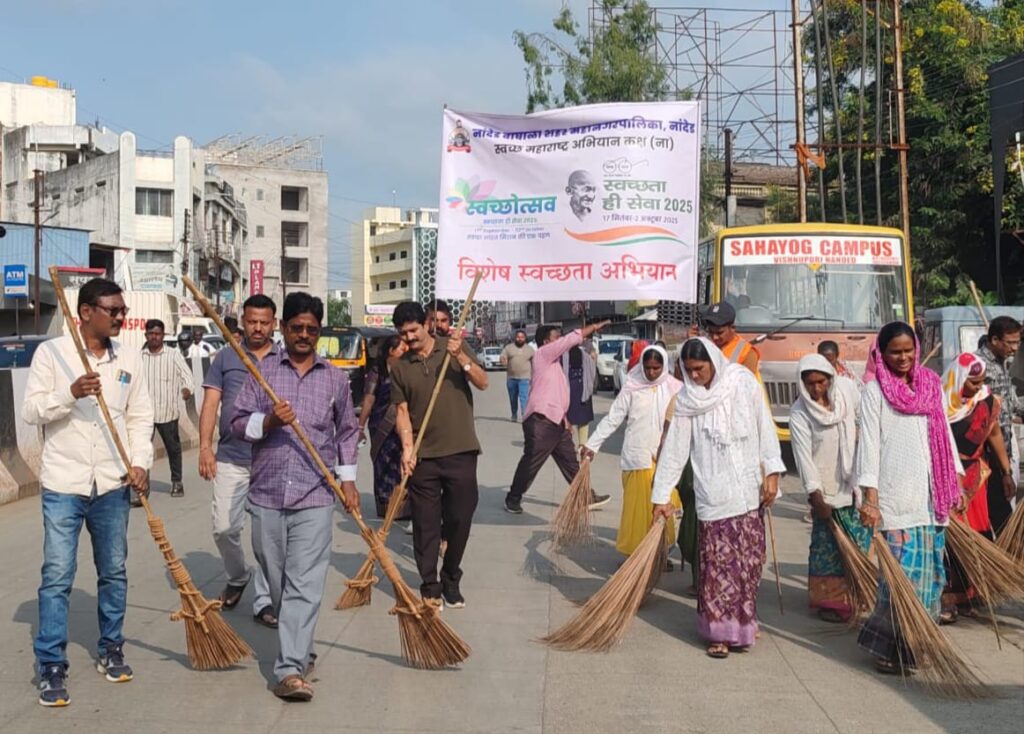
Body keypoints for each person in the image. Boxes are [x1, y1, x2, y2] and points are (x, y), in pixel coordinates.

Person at [23, 277, 153, 707]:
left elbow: (139, 416)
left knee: (113, 571)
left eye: (122, 310)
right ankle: (50, 665)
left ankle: (111, 648)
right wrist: (70, 392)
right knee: (57, 576)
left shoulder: (128, 358)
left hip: (112, 483)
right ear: (85, 313)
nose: (121, 317)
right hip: (64, 483)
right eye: (113, 311)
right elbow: (32, 410)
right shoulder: (53, 354)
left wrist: (140, 463)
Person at [231, 292, 360, 701]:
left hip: (316, 494)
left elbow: (347, 432)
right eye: (297, 328)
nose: (304, 335)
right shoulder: (262, 372)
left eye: (312, 329)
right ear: (283, 329)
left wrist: (349, 480)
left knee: (305, 582)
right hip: (266, 492)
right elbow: (235, 423)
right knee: (277, 577)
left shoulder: (335, 378)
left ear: (319, 333)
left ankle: (288, 669)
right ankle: (300, 645)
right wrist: (268, 420)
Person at [651, 337, 784, 659]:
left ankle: (745, 622)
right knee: (719, 567)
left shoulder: (742, 383)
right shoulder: (686, 402)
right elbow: (674, 452)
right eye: (689, 370)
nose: (695, 376)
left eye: (700, 369)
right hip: (714, 493)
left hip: (749, 491)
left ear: (713, 361)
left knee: (749, 565)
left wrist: (772, 472)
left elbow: (764, 427)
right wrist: (661, 495)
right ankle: (719, 632)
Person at [855, 321, 963, 675]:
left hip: (931, 501)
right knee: (899, 581)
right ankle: (890, 646)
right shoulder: (874, 393)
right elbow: (868, 446)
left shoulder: (930, 385)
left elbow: (944, 436)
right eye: (894, 352)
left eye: (908, 350)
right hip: (895, 501)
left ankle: (917, 643)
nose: (902, 358)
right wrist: (870, 498)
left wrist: (955, 482)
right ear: (881, 355)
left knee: (930, 580)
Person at [391, 301, 487, 608]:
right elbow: (402, 411)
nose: (409, 337)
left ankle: (451, 576)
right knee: (425, 523)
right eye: (403, 333)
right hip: (424, 456)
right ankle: (430, 584)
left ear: (426, 324)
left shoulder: (452, 348)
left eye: (414, 330)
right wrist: (407, 448)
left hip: (461, 449)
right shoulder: (401, 366)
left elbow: (483, 382)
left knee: (460, 517)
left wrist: (460, 356)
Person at [199, 294, 278, 627]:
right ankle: (237, 575)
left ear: (274, 324)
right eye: (251, 321)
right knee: (223, 528)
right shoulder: (225, 358)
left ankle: (264, 601)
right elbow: (211, 402)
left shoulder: (284, 360)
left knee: (266, 539)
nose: (257, 328)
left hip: (270, 459)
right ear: (242, 321)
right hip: (231, 456)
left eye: (264, 322)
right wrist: (205, 447)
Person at [789, 353, 869, 623]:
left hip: (853, 481)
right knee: (827, 548)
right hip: (825, 489)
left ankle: (857, 594)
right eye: (810, 384)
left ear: (830, 379)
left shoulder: (846, 393)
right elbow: (803, 457)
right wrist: (815, 494)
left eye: (821, 382)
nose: (816, 389)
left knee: (857, 543)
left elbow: (865, 421)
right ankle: (830, 601)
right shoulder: (800, 413)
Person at [582, 345, 683, 557]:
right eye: (648, 368)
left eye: (656, 368)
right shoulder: (632, 385)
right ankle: (635, 557)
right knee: (636, 513)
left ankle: (660, 554)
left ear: (664, 366)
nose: (652, 373)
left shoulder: (676, 388)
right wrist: (592, 444)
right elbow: (613, 418)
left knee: (663, 509)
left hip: (664, 460)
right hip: (636, 457)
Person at [505, 321, 612, 515]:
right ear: (547, 342)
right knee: (532, 462)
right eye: (556, 338)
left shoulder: (554, 365)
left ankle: (585, 496)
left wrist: (565, 419)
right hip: (541, 420)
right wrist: (593, 327)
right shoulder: (543, 355)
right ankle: (513, 498)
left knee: (570, 461)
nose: (560, 341)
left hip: (556, 421)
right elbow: (570, 340)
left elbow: (555, 394)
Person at [939, 352, 1014, 622]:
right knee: (948, 540)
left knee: (977, 536)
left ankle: (970, 593)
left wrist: (1006, 472)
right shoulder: (938, 403)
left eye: (981, 381)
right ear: (957, 379)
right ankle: (946, 595)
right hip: (945, 478)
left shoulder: (986, 401)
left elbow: (994, 435)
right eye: (972, 382)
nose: (977, 387)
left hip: (976, 479)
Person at [975, 316, 1022, 533]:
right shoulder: (977, 367)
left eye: (1018, 342)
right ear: (994, 339)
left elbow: (1011, 403)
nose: (1015, 348)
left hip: (1003, 449)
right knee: (995, 516)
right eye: (1010, 342)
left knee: (1001, 512)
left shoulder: (1002, 363)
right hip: (982, 454)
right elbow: (984, 419)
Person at [139, 318, 193, 502]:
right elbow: (126, 378)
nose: (154, 337)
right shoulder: (138, 356)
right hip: (143, 414)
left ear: (163, 335)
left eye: (157, 334)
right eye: (151, 334)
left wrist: (186, 390)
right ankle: (141, 488)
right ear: (146, 335)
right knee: (142, 451)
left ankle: (177, 481)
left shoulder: (173, 355)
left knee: (173, 448)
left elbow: (188, 377)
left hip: (167, 412)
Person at [358, 334, 409, 519]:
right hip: (381, 426)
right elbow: (369, 399)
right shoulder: (377, 371)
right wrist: (360, 426)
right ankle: (385, 506)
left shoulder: (407, 370)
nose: (406, 351)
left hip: (402, 426)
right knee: (384, 464)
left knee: (402, 464)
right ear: (391, 351)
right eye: (402, 349)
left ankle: (403, 507)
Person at [698, 301, 760, 377]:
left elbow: (745, 385)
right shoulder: (705, 344)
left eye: (719, 333)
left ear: (732, 328)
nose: (714, 337)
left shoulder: (747, 352)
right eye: (710, 332)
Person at [562, 344, 596, 445]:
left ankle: (582, 444)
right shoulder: (563, 355)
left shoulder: (585, 354)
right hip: (570, 390)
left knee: (583, 420)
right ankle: (570, 443)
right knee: (569, 419)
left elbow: (591, 370)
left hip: (583, 391)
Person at [501, 329, 534, 422]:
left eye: (522, 337)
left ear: (525, 338)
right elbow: (503, 356)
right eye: (518, 337)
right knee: (513, 398)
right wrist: (503, 359)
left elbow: (535, 361)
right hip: (511, 378)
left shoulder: (530, 349)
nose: (520, 339)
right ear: (515, 338)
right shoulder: (509, 348)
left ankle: (525, 415)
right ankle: (514, 414)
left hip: (525, 378)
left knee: (524, 398)